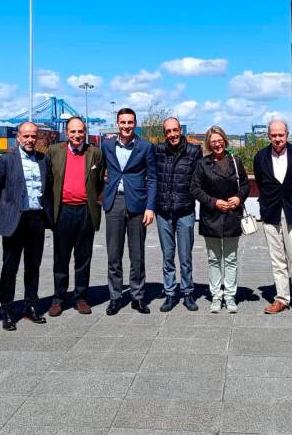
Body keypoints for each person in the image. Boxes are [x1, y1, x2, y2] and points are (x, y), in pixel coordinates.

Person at [0, 121, 53, 331]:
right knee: (10, 268)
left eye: (33, 136)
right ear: (18, 137)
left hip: (36, 220)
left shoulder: (43, 160)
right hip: (15, 220)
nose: (30, 140)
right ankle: (6, 310)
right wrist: (7, 210)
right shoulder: (6, 160)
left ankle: (31, 306)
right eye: (26, 136)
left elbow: (49, 188)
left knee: (33, 267)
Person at [47, 117, 106, 316]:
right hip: (63, 211)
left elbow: (99, 182)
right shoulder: (55, 151)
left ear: (85, 132)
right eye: (73, 132)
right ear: (66, 133)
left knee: (83, 258)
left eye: (80, 131)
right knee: (61, 258)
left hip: (85, 211)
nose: (77, 135)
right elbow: (48, 180)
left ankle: (80, 297)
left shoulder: (95, 153)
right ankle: (58, 298)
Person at [101, 107, 157, 315]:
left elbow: (152, 178)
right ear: (117, 123)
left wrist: (150, 207)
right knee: (113, 254)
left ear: (135, 124)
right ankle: (115, 297)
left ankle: (138, 297)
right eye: (123, 122)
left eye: (130, 122)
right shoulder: (106, 146)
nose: (126, 126)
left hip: (138, 205)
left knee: (137, 254)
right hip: (114, 203)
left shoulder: (145, 147)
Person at [254, 119, 292, 317]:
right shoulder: (260, 157)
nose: (277, 139)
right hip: (271, 213)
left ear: (287, 135)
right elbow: (262, 183)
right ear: (268, 136)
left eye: (281, 135)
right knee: (277, 259)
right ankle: (281, 298)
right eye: (274, 135)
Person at [190, 126, 250, 313]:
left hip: (232, 215)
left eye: (219, 140)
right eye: (213, 141)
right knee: (214, 259)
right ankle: (216, 295)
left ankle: (230, 296)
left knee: (231, 259)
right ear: (209, 143)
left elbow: (246, 185)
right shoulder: (202, 164)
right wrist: (214, 202)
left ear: (224, 140)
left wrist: (239, 197)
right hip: (212, 216)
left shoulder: (235, 160)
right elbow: (195, 188)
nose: (217, 144)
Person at [154, 117, 202, 312]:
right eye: (168, 131)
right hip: (163, 212)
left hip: (185, 211)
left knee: (185, 257)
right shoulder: (157, 150)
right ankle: (170, 293)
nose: (172, 134)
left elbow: (200, 179)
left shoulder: (193, 151)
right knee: (167, 256)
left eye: (175, 130)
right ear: (164, 133)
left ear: (180, 130)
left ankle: (188, 293)